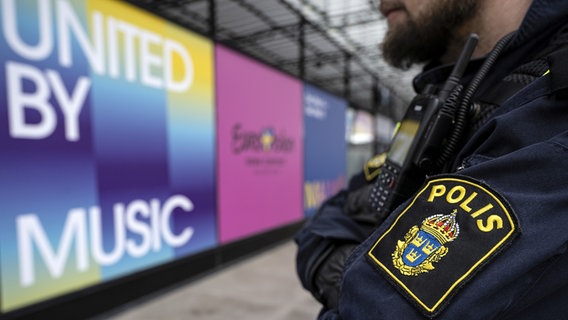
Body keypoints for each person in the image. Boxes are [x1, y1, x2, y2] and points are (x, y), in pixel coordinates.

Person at [295, 0, 568, 319]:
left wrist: (345, 269)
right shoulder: (454, 94)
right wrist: (350, 277)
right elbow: (330, 217)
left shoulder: (552, 107)